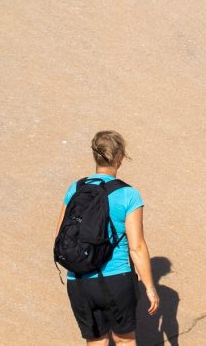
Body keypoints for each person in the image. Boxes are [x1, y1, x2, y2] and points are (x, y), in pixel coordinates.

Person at [56, 131, 159, 345]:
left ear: (95, 156)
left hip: (79, 281)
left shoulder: (75, 188)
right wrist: (150, 287)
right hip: (116, 280)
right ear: (120, 156)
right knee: (124, 341)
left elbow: (60, 235)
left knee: (96, 342)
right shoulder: (128, 194)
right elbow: (137, 246)